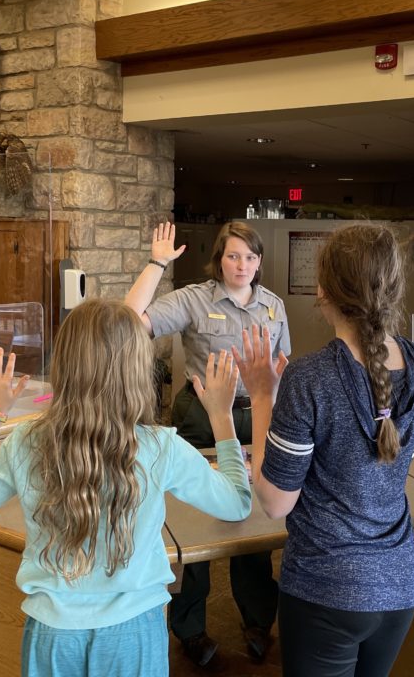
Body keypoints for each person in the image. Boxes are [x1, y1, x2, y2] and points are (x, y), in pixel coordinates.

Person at [0, 299, 252, 677]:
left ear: (63, 365)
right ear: (138, 369)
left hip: (53, 635)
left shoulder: (26, 440)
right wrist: (222, 417)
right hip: (134, 631)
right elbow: (237, 503)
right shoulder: (162, 446)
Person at [233, 222, 414, 677]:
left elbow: (273, 502)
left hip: (327, 590)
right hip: (400, 584)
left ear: (323, 290)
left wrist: (264, 395)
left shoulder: (310, 378)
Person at [124, 220, 288, 666]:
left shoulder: (273, 307)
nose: (243, 265)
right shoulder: (195, 298)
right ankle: (190, 629)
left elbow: (281, 366)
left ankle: (258, 622)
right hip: (200, 414)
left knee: (252, 523)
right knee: (194, 525)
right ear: (219, 259)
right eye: (234, 256)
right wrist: (157, 262)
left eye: (251, 257)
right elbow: (133, 323)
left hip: (253, 413)